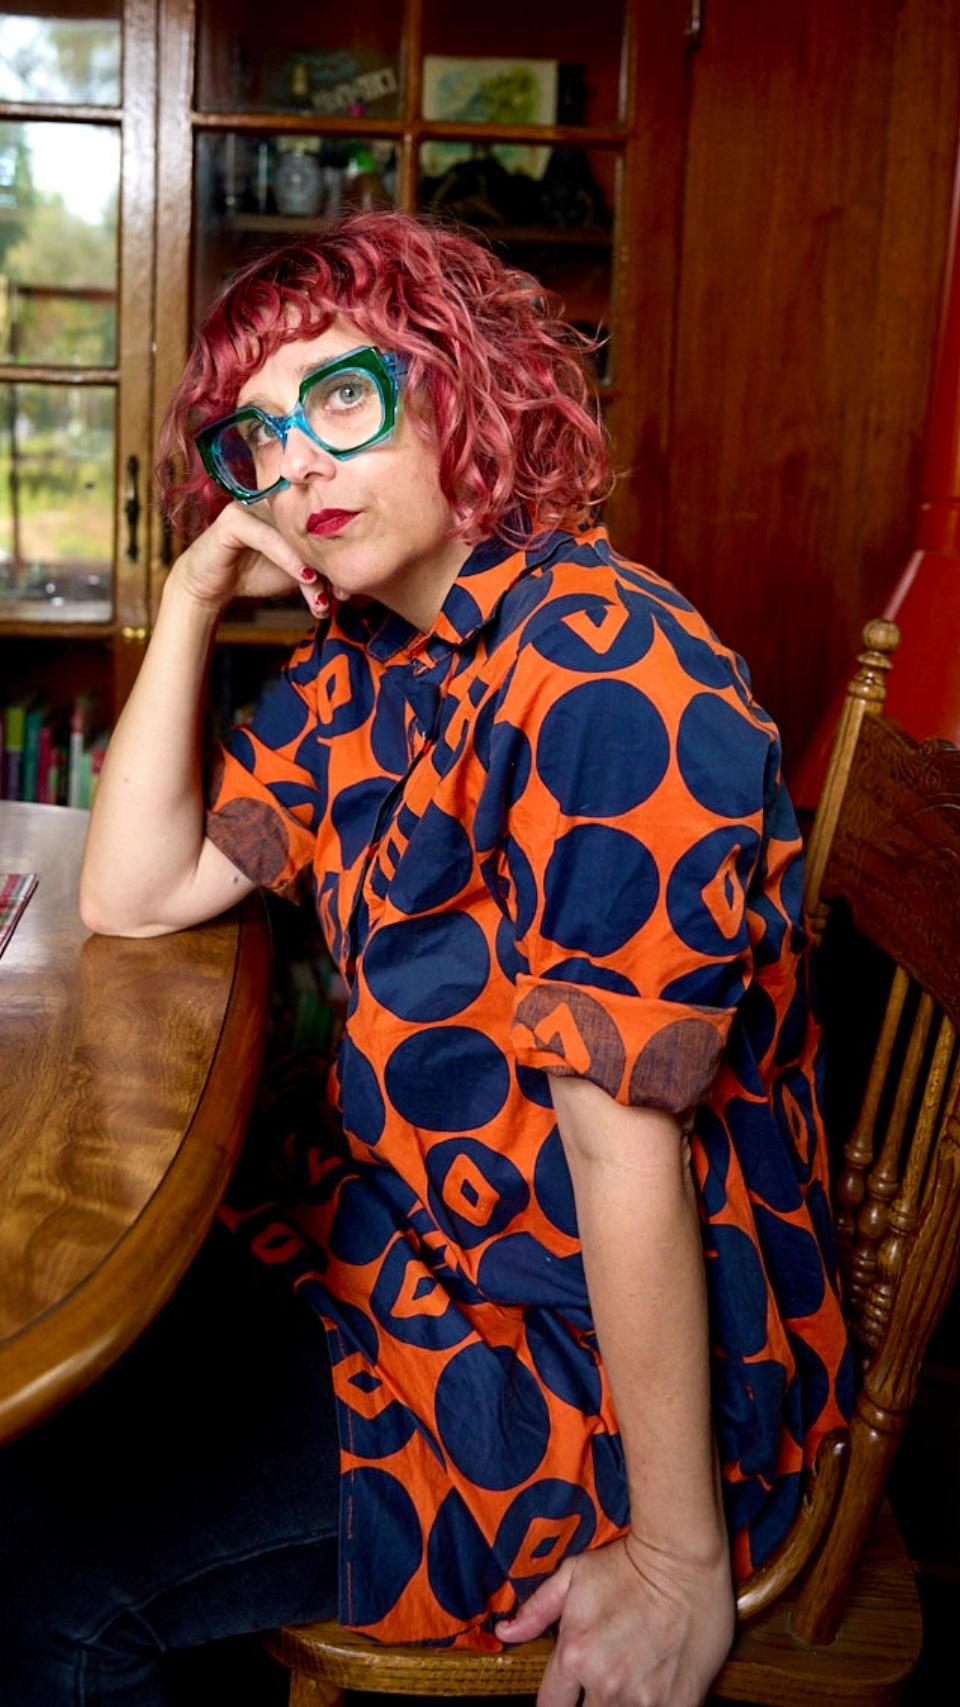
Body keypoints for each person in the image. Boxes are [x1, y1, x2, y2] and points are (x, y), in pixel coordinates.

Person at [3, 210, 852, 1706]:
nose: (296, 468)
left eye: (343, 396)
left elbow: (622, 1162)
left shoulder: (606, 681)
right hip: (406, 1260)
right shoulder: (379, 662)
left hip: (590, 1376)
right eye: (255, 439)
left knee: (37, 1585)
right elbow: (137, 895)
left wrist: (675, 1561)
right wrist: (196, 591)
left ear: (464, 384)